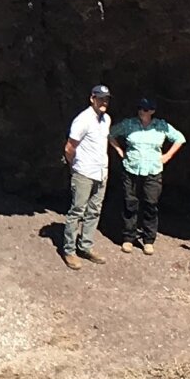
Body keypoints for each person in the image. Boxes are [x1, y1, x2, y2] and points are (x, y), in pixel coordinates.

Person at [113, 100, 185, 252]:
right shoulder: (129, 124)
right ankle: (128, 238)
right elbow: (110, 134)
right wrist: (120, 151)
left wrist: (167, 156)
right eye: (140, 108)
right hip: (131, 169)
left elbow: (180, 138)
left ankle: (148, 239)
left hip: (153, 170)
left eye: (146, 109)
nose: (142, 111)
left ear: (152, 111)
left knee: (150, 204)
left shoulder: (161, 126)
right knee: (130, 203)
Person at [60, 83, 113, 267]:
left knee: (94, 210)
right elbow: (69, 147)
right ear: (92, 99)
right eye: (100, 99)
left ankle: (86, 246)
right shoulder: (82, 120)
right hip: (84, 172)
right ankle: (69, 250)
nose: (104, 102)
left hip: (101, 172)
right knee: (77, 211)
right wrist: (74, 166)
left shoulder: (107, 119)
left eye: (106, 99)